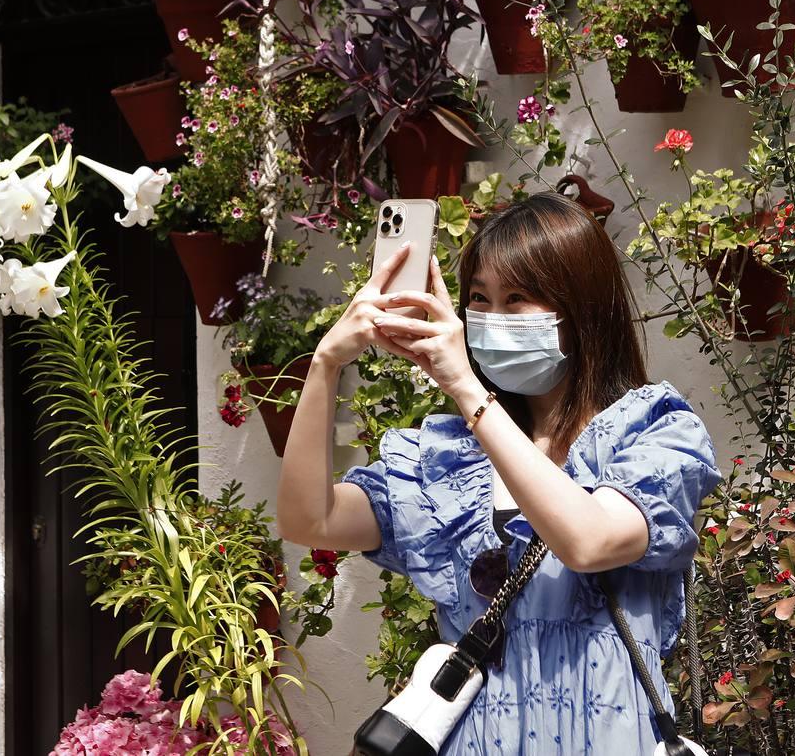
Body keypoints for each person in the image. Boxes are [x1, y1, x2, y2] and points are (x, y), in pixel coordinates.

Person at [276, 192, 722, 754]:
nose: (492, 318)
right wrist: (326, 364)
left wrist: (466, 388)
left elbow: (590, 541)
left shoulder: (652, 430)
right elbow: (308, 518)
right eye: (480, 299)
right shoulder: (451, 457)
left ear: (581, 308)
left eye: (517, 299)